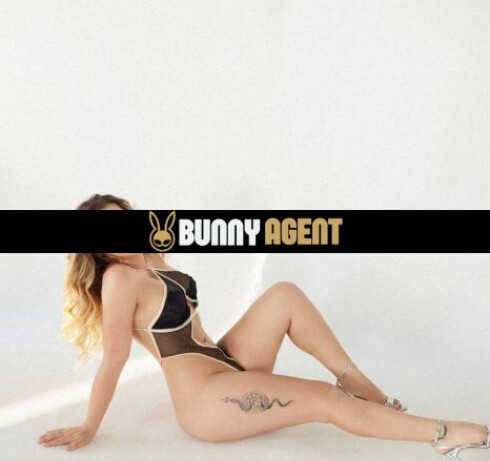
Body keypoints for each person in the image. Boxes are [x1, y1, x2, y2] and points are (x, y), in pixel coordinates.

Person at [38, 194, 489, 458]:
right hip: (205, 401)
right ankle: (443, 435)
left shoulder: (151, 258)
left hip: (227, 364)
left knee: (283, 294)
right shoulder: (119, 279)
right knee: (326, 400)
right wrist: (89, 426)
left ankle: (359, 382)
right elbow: (114, 358)